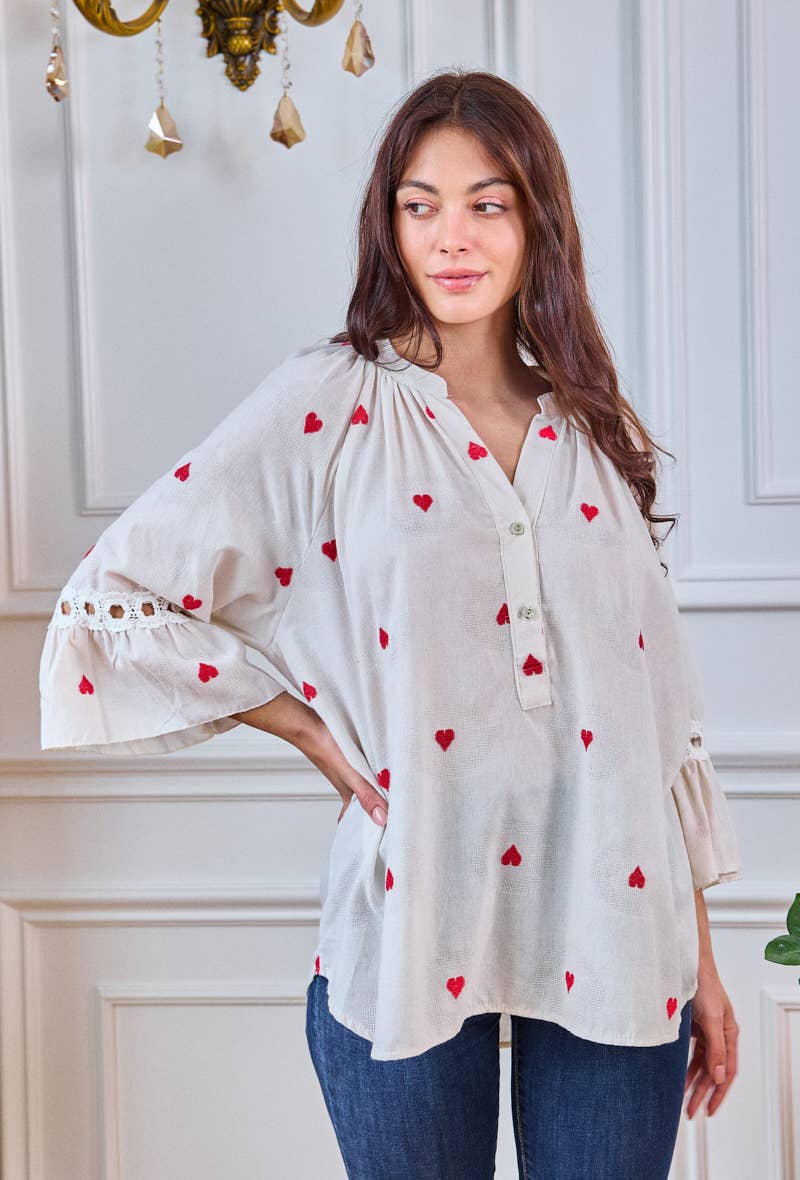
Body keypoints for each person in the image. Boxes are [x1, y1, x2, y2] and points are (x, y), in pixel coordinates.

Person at [39, 69, 743, 1178]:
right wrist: (312, 731)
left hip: (617, 926)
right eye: (421, 206)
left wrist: (701, 959)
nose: (451, 237)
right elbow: (118, 594)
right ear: (389, 225)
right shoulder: (329, 403)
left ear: (537, 223)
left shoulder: (589, 425)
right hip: (408, 925)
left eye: (487, 203)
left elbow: (657, 720)